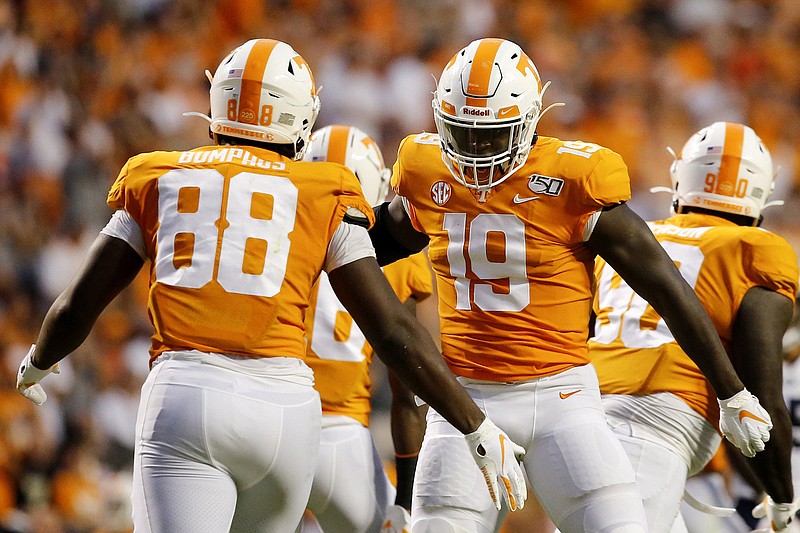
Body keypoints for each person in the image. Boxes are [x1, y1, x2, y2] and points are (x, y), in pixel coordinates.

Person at [14, 38, 527, 533]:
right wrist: (475, 424)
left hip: (187, 392)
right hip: (287, 415)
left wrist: (39, 361)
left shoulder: (157, 174)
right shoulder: (323, 189)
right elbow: (393, 332)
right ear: (300, 117)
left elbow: (76, 307)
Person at [368, 37, 774, 533]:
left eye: (492, 136)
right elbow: (381, 239)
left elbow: (665, 286)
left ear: (530, 120)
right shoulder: (426, 169)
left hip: (560, 399)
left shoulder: (573, 180)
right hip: (464, 399)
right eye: (463, 133)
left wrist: (731, 392)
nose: (475, 152)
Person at [589, 121, 799, 532]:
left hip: (585, 414)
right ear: (760, 192)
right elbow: (760, 393)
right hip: (654, 425)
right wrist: (783, 498)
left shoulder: (634, 237)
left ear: (680, 176)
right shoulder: (756, 250)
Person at [296, 124, 430, 533]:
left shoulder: (277, 227)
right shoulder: (399, 259)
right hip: (343, 438)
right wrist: (406, 498)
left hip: (269, 410)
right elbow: (409, 391)